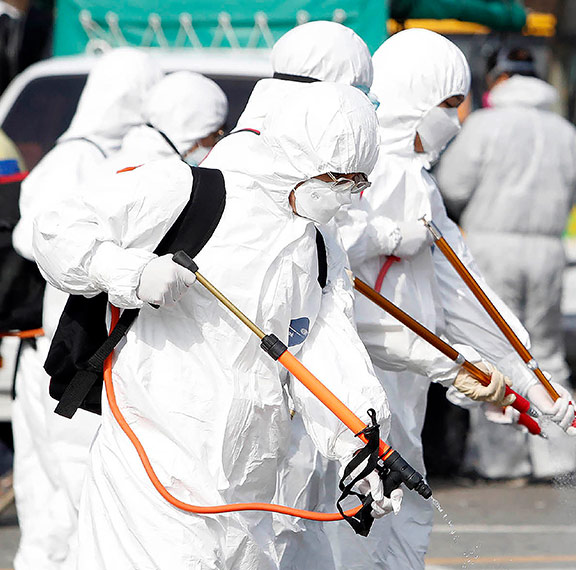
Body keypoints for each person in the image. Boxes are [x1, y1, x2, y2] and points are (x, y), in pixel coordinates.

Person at [31, 82, 400, 569]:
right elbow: (56, 227)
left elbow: (328, 352)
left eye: (357, 184)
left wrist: (364, 444)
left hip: (248, 489)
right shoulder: (191, 192)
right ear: (295, 157)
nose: (347, 198)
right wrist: (132, 274)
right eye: (337, 179)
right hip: (152, 470)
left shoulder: (319, 248)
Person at [329, 29, 576, 570]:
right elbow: (322, 253)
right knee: (355, 510)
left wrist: (528, 378)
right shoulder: (357, 170)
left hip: (409, 372)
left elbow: (463, 286)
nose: (456, 122)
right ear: (413, 99)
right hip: (357, 371)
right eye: (446, 106)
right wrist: (386, 237)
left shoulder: (418, 181)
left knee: (396, 511)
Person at [200, 21, 377, 569]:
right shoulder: (222, 182)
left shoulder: (316, 205)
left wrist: (363, 443)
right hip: (197, 438)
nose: (347, 192)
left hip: (280, 423)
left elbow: (328, 328)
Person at [10, 47, 162, 570]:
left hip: (64, 344)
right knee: (71, 486)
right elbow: (37, 240)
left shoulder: (89, 152)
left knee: (56, 498)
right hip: (65, 347)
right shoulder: (77, 157)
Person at [435, 46, 576, 481]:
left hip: (491, 249)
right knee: (548, 354)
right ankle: (559, 457)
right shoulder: (565, 131)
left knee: (495, 354)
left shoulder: (484, 126)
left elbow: (452, 187)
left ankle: (502, 463)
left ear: (498, 79)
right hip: (548, 250)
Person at [102, 70, 228, 172]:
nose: (215, 143)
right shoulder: (169, 181)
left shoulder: (109, 167)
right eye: (216, 134)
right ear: (194, 131)